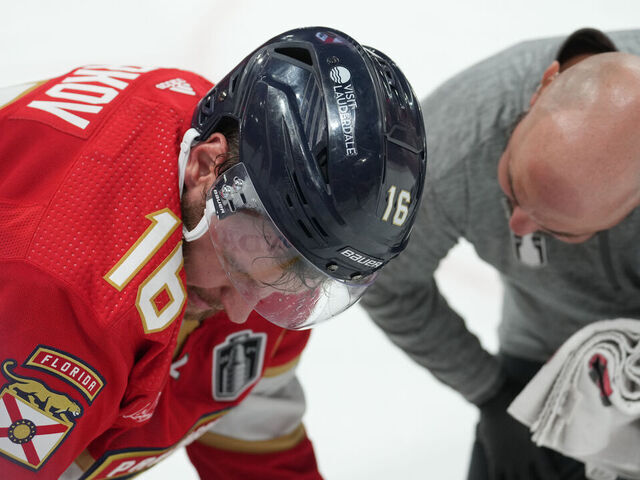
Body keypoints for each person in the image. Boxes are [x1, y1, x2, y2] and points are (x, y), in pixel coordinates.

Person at [0, 27, 426, 479]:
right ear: (205, 168)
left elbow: (251, 446)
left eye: (290, 280)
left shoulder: (272, 232)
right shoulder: (59, 291)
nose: (241, 312)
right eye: (234, 268)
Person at [361, 27, 640, 480]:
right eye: (513, 184)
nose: (518, 226)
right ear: (544, 85)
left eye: (554, 229)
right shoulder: (445, 154)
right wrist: (490, 391)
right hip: (541, 352)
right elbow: (386, 284)